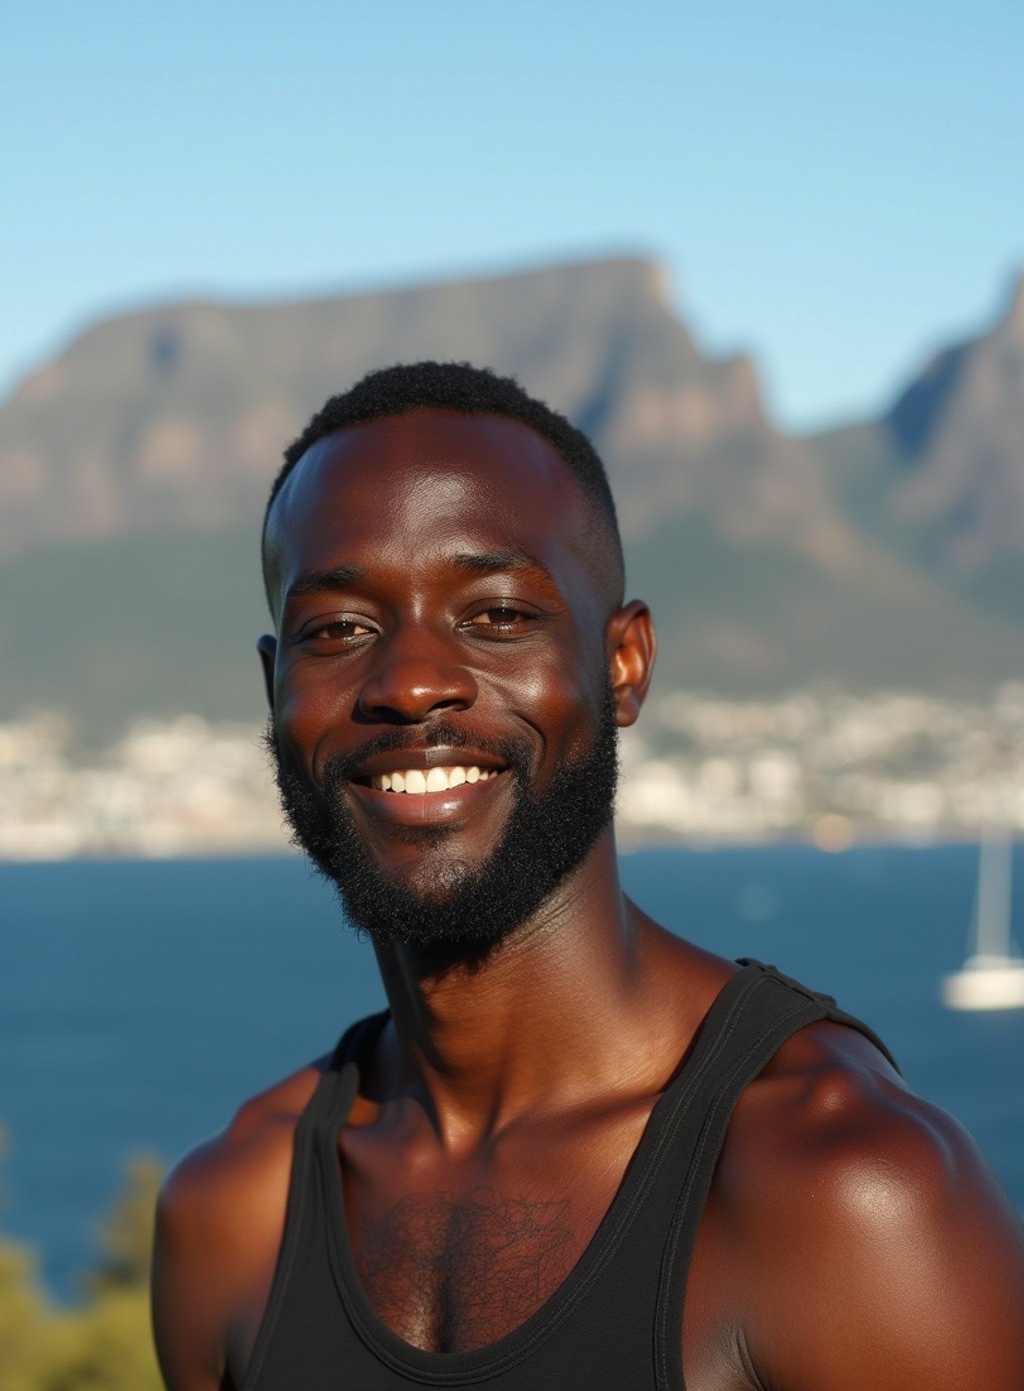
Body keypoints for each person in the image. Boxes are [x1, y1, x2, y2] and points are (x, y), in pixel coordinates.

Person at [152, 362, 1024, 1390]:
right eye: (338, 630)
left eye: (496, 615)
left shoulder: (845, 1194)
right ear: (275, 689)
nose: (410, 682)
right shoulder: (231, 1216)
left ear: (623, 666)